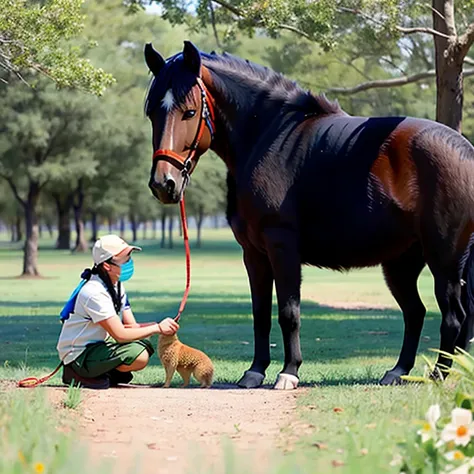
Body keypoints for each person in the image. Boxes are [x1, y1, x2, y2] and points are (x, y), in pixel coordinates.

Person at [57, 234, 179, 389]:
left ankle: (100, 372)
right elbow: (120, 335)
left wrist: (160, 326)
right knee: (138, 354)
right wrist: (157, 328)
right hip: (79, 354)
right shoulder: (94, 292)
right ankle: (76, 373)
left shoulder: (117, 286)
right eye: (125, 259)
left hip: (98, 347)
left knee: (143, 343)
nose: (130, 262)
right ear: (107, 265)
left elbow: (132, 327)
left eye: (130, 257)